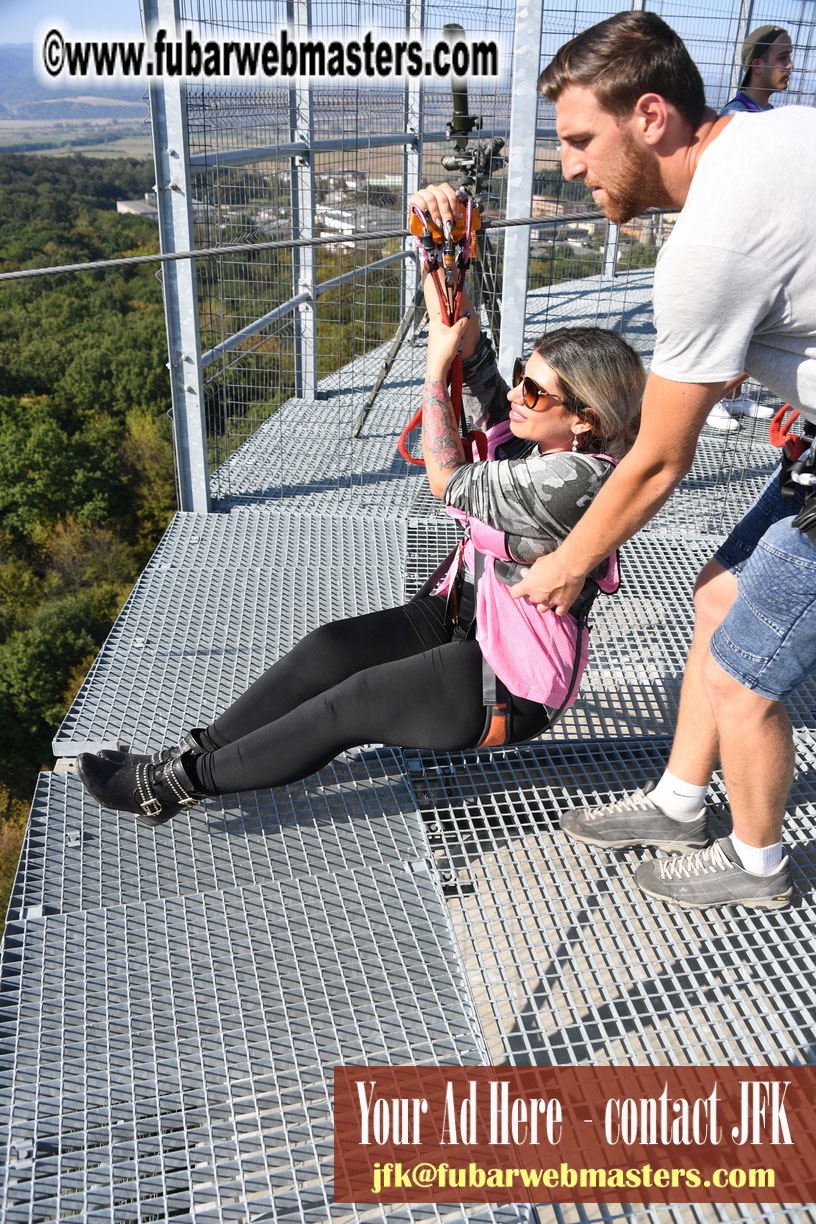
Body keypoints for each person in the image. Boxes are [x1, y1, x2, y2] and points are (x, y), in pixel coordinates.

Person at [75, 268, 644, 826]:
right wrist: (445, 265)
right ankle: (195, 754)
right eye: (523, 375)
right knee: (329, 648)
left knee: (348, 704)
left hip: (510, 679)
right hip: (463, 617)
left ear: (584, 419)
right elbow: (473, 358)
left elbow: (448, 480)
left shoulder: (577, 481)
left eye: (535, 391)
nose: (517, 394)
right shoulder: (535, 438)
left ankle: (171, 788)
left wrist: (433, 372)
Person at [486, 9, 815, 911]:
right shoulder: (769, 135)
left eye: (580, 140)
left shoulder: (709, 247)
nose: (568, 166)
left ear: (651, 116)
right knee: (720, 595)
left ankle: (758, 866)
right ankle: (679, 802)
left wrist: (566, 564)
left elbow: (658, 462)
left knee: (742, 674)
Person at [704, 24, 793, 434]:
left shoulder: (766, 115)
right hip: (738, 241)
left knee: (750, 324)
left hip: (764, 240)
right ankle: (710, 400)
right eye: (781, 58)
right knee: (727, 324)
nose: (790, 67)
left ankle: (733, 396)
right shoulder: (736, 117)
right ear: (757, 65)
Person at [720, 24, 792, 115]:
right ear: (757, 65)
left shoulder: (769, 110)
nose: (790, 65)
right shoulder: (736, 113)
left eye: (789, 57)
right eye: (782, 57)